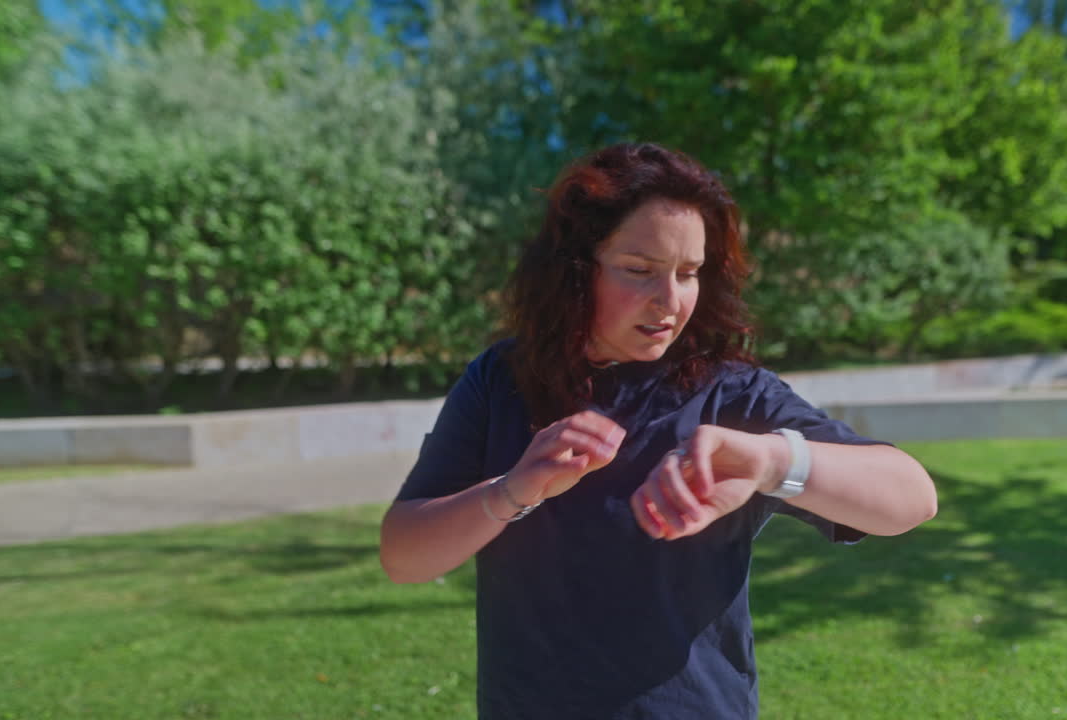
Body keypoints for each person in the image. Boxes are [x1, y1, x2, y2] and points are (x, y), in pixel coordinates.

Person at [379, 142, 937, 719]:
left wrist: (769, 462)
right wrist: (513, 490)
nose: (670, 301)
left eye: (689, 273)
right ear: (575, 268)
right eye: (639, 271)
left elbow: (913, 499)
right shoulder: (500, 379)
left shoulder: (732, 393)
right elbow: (404, 557)